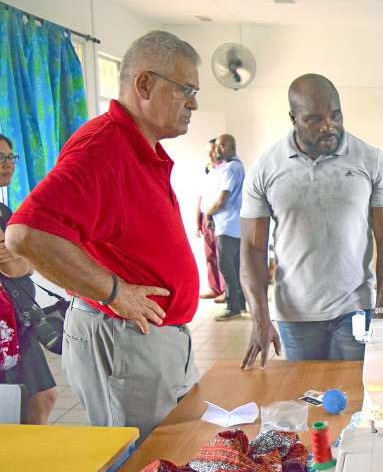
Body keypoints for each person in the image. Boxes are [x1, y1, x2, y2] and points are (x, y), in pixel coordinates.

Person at [6, 31, 202, 440]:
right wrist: (116, 292)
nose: (193, 103)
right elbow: (26, 234)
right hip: (123, 339)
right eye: (186, 89)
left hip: (147, 339)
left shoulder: (138, 147)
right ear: (144, 84)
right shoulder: (104, 146)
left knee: (166, 461)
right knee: (138, 471)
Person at [239, 73, 383, 364]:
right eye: (314, 119)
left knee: (358, 399)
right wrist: (260, 317)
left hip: (356, 309)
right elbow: (252, 248)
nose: (329, 126)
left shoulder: (370, 160)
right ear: (294, 118)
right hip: (296, 315)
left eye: (336, 115)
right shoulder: (266, 167)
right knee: (306, 399)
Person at [0, 133, 58, 424]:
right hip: (4, 326)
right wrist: (22, 260)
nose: (7, 164)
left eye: (10, 157)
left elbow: (21, 264)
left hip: (17, 319)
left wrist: (21, 260)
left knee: (41, 396)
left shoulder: (3, 211)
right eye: (0, 158)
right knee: (30, 400)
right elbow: (14, 265)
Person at [204, 133, 245, 321]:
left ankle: (233, 307)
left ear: (231, 146)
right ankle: (241, 304)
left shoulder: (231, 169)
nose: (217, 149)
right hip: (234, 225)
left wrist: (208, 213)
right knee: (235, 267)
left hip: (228, 226)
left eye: (221, 145)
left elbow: (222, 200)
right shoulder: (235, 166)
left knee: (226, 266)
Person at [196, 137, 225, 302]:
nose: (210, 155)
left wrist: (211, 215)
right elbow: (201, 197)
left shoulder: (226, 170)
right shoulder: (206, 171)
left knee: (223, 256)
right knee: (209, 255)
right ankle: (214, 288)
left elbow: (222, 198)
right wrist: (197, 219)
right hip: (205, 218)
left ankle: (225, 290)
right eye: (207, 152)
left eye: (212, 151)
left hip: (218, 218)